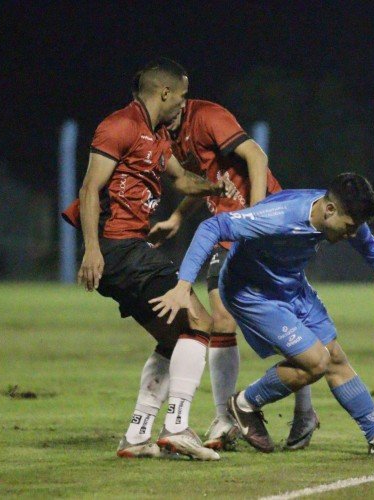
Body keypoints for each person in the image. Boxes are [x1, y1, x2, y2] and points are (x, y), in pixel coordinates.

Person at [149, 173, 374, 456]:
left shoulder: (339, 215)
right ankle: (243, 404)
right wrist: (183, 284)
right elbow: (212, 226)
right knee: (316, 361)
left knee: (335, 356)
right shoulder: (281, 216)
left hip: (291, 285)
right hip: (251, 292)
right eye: (349, 228)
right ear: (329, 211)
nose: (353, 235)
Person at [64, 57, 238, 461]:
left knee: (173, 336)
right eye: (182, 95)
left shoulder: (157, 136)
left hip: (130, 249)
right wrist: (92, 248)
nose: (184, 103)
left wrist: (214, 186)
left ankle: (137, 435)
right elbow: (91, 189)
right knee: (199, 321)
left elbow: (181, 179)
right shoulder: (119, 125)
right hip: (119, 248)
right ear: (164, 92)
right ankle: (177, 426)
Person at [147, 99, 319, 451]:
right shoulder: (169, 133)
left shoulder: (208, 116)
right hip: (228, 232)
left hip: (264, 226)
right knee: (222, 319)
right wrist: (179, 218)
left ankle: (303, 410)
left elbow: (256, 156)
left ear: (171, 97)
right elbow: (205, 182)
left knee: (281, 321)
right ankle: (226, 417)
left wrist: (255, 218)